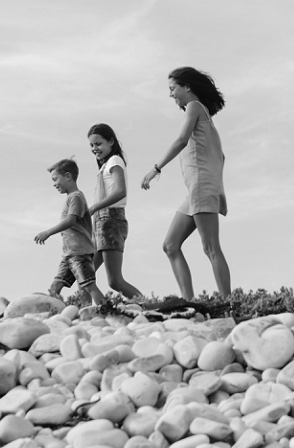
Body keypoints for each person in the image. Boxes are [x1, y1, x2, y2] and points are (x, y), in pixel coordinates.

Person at [141, 66, 230, 304]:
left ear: (186, 87)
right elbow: (221, 158)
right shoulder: (206, 119)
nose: (171, 94)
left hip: (201, 187)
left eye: (173, 88)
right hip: (196, 191)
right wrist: (217, 189)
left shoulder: (194, 107)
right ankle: (188, 302)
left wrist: (156, 168)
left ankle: (228, 304)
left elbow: (181, 140)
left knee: (211, 248)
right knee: (170, 245)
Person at [33, 158, 108, 308]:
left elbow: (70, 220)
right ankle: (57, 314)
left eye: (55, 179)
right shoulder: (71, 197)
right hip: (68, 254)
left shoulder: (76, 197)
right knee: (55, 286)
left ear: (68, 176)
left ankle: (107, 309)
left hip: (80, 252)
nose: (54, 184)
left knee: (88, 285)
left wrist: (48, 232)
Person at [84, 123, 144, 302]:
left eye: (98, 143)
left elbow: (120, 191)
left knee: (115, 281)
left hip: (111, 221)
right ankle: (82, 313)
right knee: (85, 276)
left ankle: (148, 306)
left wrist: (94, 207)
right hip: (102, 222)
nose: (95, 148)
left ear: (111, 142)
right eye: (92, 145)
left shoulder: (114, 161)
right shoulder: (104, 166)